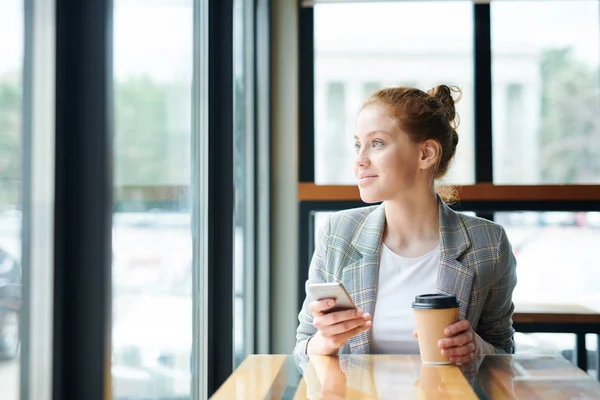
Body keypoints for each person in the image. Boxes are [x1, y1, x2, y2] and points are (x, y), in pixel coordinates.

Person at [294, 85, 517, 364]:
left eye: (376, 143)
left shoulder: (488, 243)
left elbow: (504, 354)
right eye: (357, 145)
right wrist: (325, 341)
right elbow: (301, 348)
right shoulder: (338, 233)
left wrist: (477, 348)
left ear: (426, 154)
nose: (360, 161)